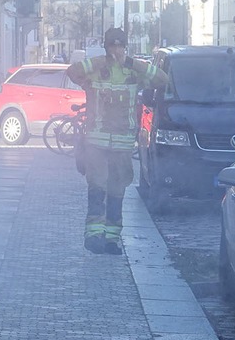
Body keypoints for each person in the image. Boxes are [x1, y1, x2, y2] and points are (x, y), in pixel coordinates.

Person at [66, 27, 168, 254]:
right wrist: (101, 61)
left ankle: (112, 239)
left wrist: (132, 63)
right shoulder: (96, 69)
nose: (116, 50)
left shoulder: (132, 71)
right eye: (112, 46)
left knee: (117, 191)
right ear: (106, 47)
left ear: (125, 47)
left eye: (120, 46)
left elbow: (162, 79)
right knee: (97, 188)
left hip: (122, 144)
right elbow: (72, 72)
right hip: (96, 142)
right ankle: (93, 236)